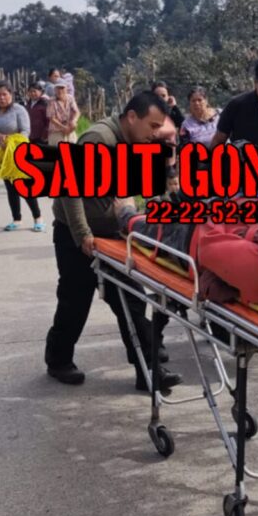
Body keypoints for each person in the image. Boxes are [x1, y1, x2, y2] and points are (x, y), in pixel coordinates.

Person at [43, 91, 182, 390]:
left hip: (114, 233)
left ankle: (148, 371)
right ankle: (58, 359)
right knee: (74, 300)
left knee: (131, 298)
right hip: (76, 233)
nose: (156, 133)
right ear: (132, 117)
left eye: (160, 127)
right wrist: (82, 234)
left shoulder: (139, 144)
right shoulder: (98, 139)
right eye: (153, 126)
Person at [0, 81, 45, 233]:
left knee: (24, 186)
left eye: (5, 94)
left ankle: (38, 218)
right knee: (10, 188)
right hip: (1, 156)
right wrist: (0, 137)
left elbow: (25, 131)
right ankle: (16, 219)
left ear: (11, 95)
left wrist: (10, 141)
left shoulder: (19, 110)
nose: (2, 98)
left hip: (19, 154)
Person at [46, 81, 80, 146]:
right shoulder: (51, 101)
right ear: (55, 90)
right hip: (56, 131)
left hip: (70, 130)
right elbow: (52, 118)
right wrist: (63, 128)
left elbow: (76, 112)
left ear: (66, 89)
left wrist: (74, 120)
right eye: (58, 88)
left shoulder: (70, 98)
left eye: (62, 88)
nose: (60, 91)